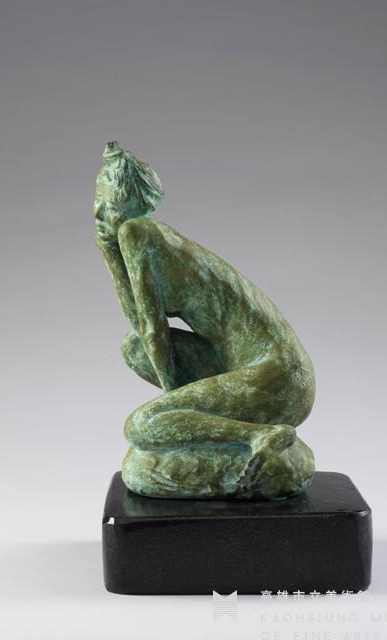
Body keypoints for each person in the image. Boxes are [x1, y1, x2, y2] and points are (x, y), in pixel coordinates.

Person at [94, 141, 315, 499]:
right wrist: (109, 254)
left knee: (142, 425)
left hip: (279, 379)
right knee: (133, 348)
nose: (97, 210)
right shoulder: (146, 234)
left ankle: (260, 435)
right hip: (252, 367)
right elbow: (140, 329)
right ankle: (240, 433)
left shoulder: (136, 232)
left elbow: (153, 328)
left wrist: (173, 409)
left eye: (105, 201)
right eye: (97, 200)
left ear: (126, 203)